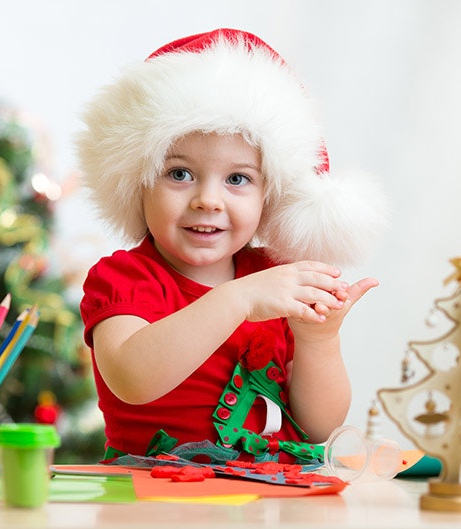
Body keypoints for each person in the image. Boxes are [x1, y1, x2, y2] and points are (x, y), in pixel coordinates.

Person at [77, 29, 387, 463]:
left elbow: (321, 425)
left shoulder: (274, 277)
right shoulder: (125, 277)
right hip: (154, 490)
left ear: (270, 197)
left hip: (268, 492)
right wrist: (239, 299)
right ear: (139, 182)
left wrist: (318, 341)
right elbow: (132, 377)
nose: (208, 199)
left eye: (237, 179)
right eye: (180, 174)